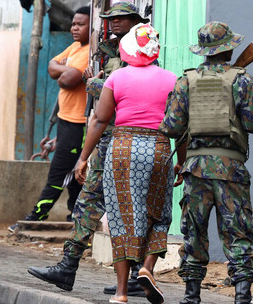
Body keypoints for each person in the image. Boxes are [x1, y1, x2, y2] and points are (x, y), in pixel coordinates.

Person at [28, 2, 149, 297]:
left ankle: (135, 275)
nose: (116, 23)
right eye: (112, 18)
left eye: (123, 18)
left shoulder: (145, 48)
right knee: (88, 201)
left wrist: (93, 82)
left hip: (129, 136)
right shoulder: (107, 48)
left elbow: (115, 89)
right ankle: (68, 267)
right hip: (106, 136)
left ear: (136, 21)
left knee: (131, 208)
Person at [159, 22, 253, 304]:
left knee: (193, 230)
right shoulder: (241, 79)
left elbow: (170, 126)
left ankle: (191, 296)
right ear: (229, 48)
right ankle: (242, 296)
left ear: (204, 52)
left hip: (195, 169)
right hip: (231, 168)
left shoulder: (186, 81)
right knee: (238, 231)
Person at [72, 24, 176, 304]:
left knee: (122, 217)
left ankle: (120, 293)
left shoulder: (116, 78)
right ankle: (147, 268)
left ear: (128, 49)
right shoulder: (172, 80)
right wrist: (183, 160)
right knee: (159, 212)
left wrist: (83, 158)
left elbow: (100, 119)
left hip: (122, 149)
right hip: (159, 148)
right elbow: (182, 126)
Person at [9, 6, 91, 232]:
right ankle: (74, 216)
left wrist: (63, 70)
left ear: (91, 27)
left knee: (60, 172)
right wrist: (64, 70)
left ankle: (36, 216)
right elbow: (51, 67)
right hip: (66, 121)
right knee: (73, 175)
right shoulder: (76, 46)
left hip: (79, 124)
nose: (74, 28)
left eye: (80, 24)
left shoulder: (88, 53)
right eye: (73, 23)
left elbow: (67, 80)